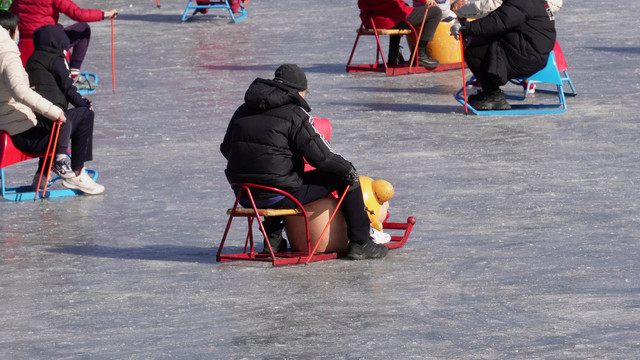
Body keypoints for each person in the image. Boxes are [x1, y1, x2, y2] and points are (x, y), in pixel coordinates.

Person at [220, 64, 389, 260]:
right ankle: (361, 242)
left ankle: (273, 241)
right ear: (300, 90)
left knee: (277, 174)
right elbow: (321, 156)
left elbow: (226, 149)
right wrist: (348, 169)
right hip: (279, 194)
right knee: (345, 178)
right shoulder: (294, 114)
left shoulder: (243, 110)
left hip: (243, 192)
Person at [23, 24, 104, 194]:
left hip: (35, 119)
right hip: (54, 116)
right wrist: (84, 105)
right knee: (85, 115)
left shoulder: (32, 59)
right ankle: (77, 171)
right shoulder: (56, 58)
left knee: (54, 129)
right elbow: (69, 88)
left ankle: (42, 175)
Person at [450, 0, 556, 110]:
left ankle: (493, 95)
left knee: (473, 52)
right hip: (531, 52)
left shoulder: (522, 2)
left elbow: (499, 21)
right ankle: (490, 93)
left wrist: (467, 28)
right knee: (480, 42)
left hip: (527, 57)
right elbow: (501, 20)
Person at [9, 0, 117, 75]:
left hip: (24, 42)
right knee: (84, 28)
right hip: (47, 42)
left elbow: (10, 14)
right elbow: (78, 14)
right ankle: (74, 71)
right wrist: (105, 14)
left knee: (59, 27)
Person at [358, 0, 442, 69]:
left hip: (370, 19)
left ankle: (393, 55)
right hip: (388, 19)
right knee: (435, 12)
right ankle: (419, 54)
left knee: (401, 6)